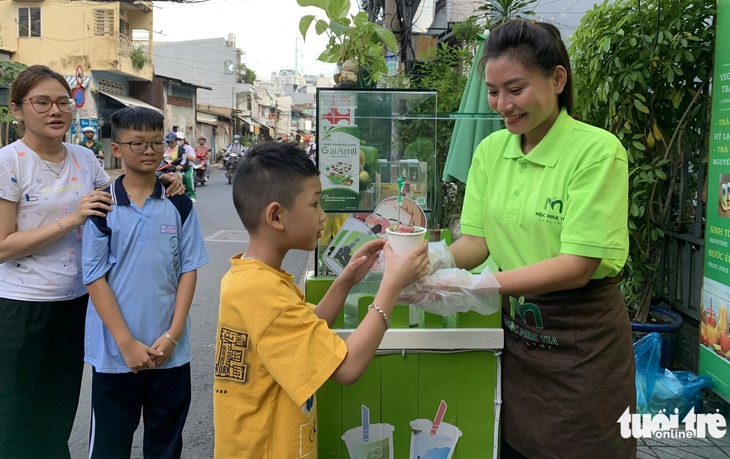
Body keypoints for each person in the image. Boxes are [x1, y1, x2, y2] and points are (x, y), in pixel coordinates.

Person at [440, 20, 635, 458]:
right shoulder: (491, 151)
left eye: (515, 89)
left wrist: (480, 286)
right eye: (493, 92)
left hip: (583, 341)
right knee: (512, 444)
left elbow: (577, 265)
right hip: (519, 338)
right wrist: (432, 262)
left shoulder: (597, 152)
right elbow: (476, 242)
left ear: (557, 79)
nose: (502, 105)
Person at [213, 141, 428, 458]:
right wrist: (392, 286)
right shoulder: (263, 291)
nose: (323, 216)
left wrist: (346, 280)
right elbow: (347, 367)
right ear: (276, 216)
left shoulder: (251, 279)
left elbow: (308, 328)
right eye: (314, 205)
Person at [82, 106, 210, 458]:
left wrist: (173, 334)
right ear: (117, 149)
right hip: (115, 352)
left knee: (166, 443)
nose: (149, 151)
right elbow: (94, 277)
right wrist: (126, 343)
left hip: (169, 352)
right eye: (137, 143)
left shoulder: (179, 203)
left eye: (156, 143)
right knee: (110, 444)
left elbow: (188, 269)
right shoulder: (101, 207)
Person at [0, 64, 113, 458]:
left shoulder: (84, 158)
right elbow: (2, 245)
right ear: (18, 110)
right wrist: (72, 219)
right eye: (42, 102)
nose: (55, 111)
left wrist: (158, 183)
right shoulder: (9, 162)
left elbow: (114, 199)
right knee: (15, 414)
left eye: (63, 101)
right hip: (19, 306)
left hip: (75, 302)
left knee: (58, 409)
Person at [176, 131, 197, 202]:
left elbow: (194, 159)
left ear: (183, 140)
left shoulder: (188, 148)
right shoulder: (173, 148)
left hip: (187, 167)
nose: (178, 141)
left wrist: (184, 153)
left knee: (188, 178)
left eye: (180, 139)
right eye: (177, 139)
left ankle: (192, 195)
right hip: (176, 167)